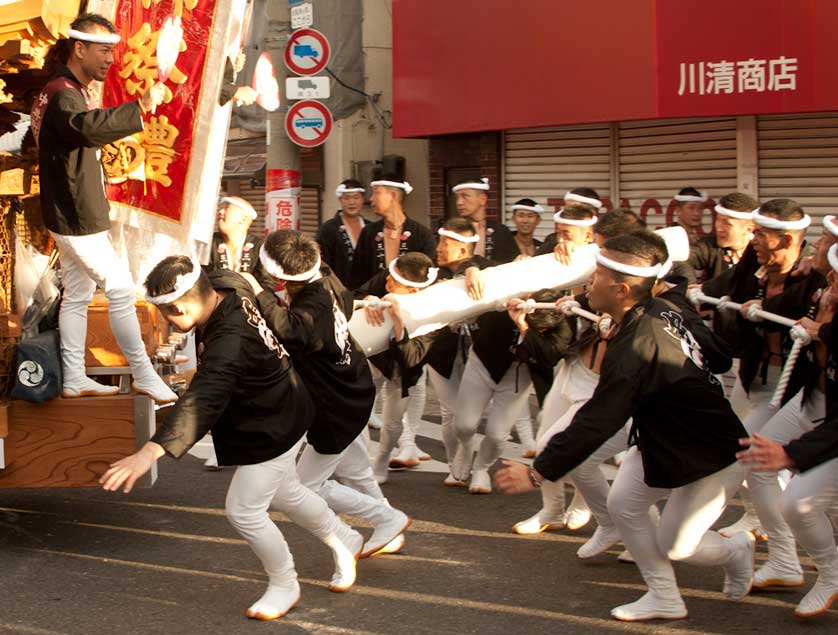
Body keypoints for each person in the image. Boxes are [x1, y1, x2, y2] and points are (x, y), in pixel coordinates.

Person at [497, 231, 755, 622]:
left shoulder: (638, 343)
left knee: (678, 546)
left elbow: (600, 417)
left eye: (597, 273)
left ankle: (736, 551)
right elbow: (718, 358)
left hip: (714, 453)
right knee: (624, 506)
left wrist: (537, 473)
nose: (589, 281)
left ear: (620, 289)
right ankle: (665, 596)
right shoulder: (664, 307)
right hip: (661, 441)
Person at [100, 257, 362, 620]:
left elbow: (205, 396)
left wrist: (149, 452)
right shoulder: (226, 287)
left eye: (165, 314)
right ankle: (344, 538)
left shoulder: (229, 339)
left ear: (182, 304)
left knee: (243, 510)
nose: (165, 322)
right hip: (283, 406)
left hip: (274, 422)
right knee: (289, 493)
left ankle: (285, 582)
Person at [240, 231, 411, 559]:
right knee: (354, 472)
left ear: (278, 275)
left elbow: (288, 329)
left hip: (336, 403)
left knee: (306, 487)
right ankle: (387, 523)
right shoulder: (326, 276)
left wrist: (256, 289)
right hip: (349, 390)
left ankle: (386, 518)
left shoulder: (313, 302)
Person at [32, 13, 175, 402]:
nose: (111, 59)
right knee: (121, 288)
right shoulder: (64, 93)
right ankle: (143, 372)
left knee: (77, 296)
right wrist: (141, 107)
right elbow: (88, 127)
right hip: (76, 216)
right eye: (104, 51)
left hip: (71, 211)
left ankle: (75, 376)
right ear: (79, 48)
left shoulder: (62, 89)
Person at [738, 243, 838, 618]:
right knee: (756, 459)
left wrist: (792, 454)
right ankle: (790, 560)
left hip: (830, 427)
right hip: (812, 404)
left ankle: (829, 572)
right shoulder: (819, 294)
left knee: (801, 502)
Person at [348, 177, 436, 289]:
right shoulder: (369, 233)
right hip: (373, 301)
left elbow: (429, 274)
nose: (371, 199)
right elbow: (356, 276)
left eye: (376, 193)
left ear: (393, 196)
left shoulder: (421, 234)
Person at [687, 192, 757, 284]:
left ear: (749, 228)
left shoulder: (761, 253)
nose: (719, 228)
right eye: (718, 220)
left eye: (727, 223)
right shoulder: (710, 247)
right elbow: (683, 259)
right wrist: (690, 287)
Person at [452, 177, 517, 263]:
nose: (459, 202)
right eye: (457, 197)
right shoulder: (452, 232)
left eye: (465, 196)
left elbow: (513, 264)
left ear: (482, 199)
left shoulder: (500, 231)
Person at [316, 179, 368, 286]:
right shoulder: (329, 229)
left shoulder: (370, 227)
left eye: (356, 197)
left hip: (367, 291)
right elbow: (322, 263)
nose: (351, 202)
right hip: (338, 288)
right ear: (340, 200)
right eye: (346, 198)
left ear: (363, 199)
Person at [207, 197, 263, 274]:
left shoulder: (260, 247)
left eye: (227, 208)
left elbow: (267, 283)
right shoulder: (208, 244)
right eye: (221, 208)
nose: (220, 212)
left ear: (243, 219)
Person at [538, 188, 604, 255]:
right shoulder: (552, 241)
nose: (568, 212)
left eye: (574, 209)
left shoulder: (605, 242)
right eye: (566, 208)